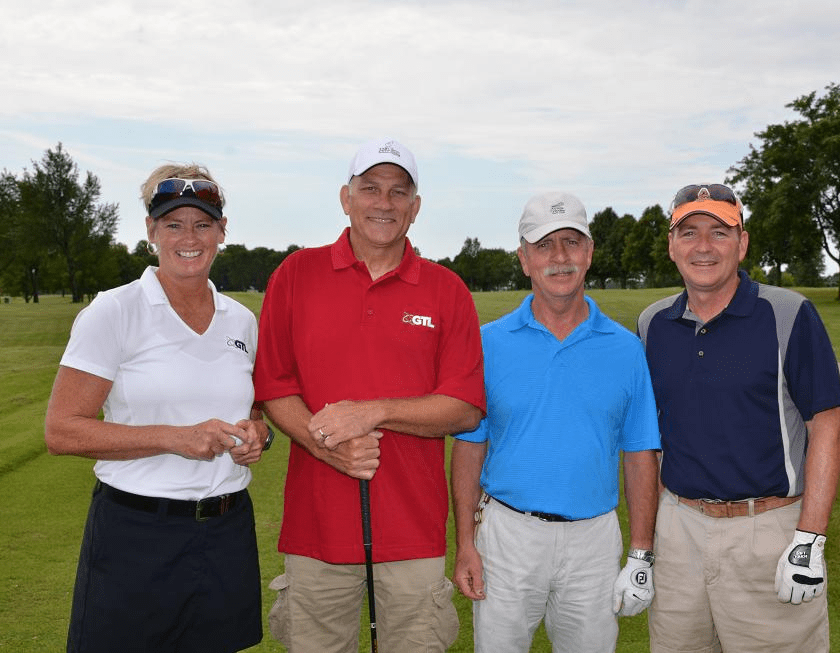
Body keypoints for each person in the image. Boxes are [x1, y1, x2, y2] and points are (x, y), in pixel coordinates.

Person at [254, 138, 486, 653]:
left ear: (415, 207)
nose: (384, 203)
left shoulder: (446, 290)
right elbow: (274, 386)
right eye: (371, 189)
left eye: (398, 192)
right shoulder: (296, 274)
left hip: (413, 533)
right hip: (315, 533)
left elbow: (466, 408)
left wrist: (373, 411)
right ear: (346, 197)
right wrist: (325, 445)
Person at [45, 164, 273, 653]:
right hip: (136, 535)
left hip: (226, 531)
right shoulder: (114, 310)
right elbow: (62, 431)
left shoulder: (243, 319)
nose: (189, 237)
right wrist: (174, 437)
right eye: (173, 224)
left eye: (203, 224)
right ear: (151, 231)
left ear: (221, 232)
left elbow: (253, 414)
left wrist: (259, 437)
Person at [637, 183, 840, 653]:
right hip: (679, 531)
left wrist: (809, 539)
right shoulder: (653, 324)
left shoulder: (788, 312)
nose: (704, 247)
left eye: (719, 232)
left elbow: (827, 424)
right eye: (688, 232)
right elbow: (646, 441)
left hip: (767, 532)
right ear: (672, 246)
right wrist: (643, 544)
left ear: (743, 242)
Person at [451, 191, 662, 653]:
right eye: (544, 245)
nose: (559, 257)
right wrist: (466, 542)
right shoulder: (488, 343)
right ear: (524, 258)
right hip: (508, 536)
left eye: (571, 242)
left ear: (588, 253)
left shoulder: (625, 348)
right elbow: (470, 446)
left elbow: (640, 453)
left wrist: (641, 553)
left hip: (594, 539)